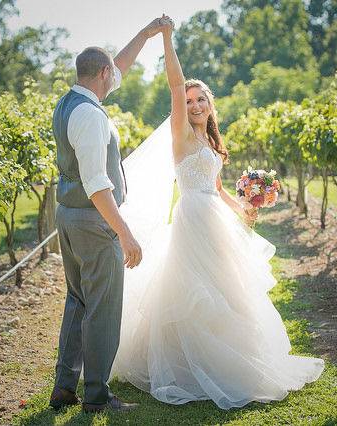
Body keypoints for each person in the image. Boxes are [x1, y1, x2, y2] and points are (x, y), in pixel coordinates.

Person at [111, 15, 325, 410]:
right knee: (196, 294)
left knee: (228, 292)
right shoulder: (179, 135)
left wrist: (243, 207)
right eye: (189, 101)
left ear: (211, 105)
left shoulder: (210, 142)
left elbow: (218, 188)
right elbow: (175, 84)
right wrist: (166, 38)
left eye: (200, 99)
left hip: (216, 218)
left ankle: (231, 358)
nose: (192, 104)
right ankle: (190, 366)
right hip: (192, 221)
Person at [48, 17, 170, 414]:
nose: (115, 76)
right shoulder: (90, 116)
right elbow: (98, 185)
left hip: (68, 216)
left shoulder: (70, 102)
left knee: (78, 302)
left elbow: (119, 65)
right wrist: (125, 233)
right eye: (111, 74)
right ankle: (97, 396)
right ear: (102, 74)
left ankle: (64, 388)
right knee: (102, 309)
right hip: (91, 220)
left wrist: (148, 35)